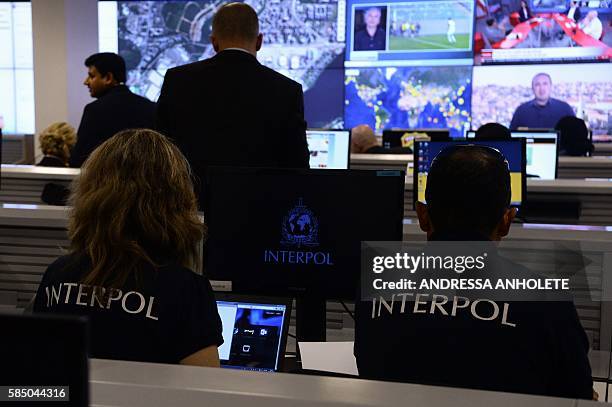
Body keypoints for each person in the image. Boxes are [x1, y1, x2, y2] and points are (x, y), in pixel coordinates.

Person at [354, 145, 594, 399]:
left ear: (423, 216)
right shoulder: (549, 302)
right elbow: (577, 396)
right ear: (506, 221)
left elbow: (368, 371)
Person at [34, 129, 223, 366]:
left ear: (91, 193)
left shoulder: (57, 275)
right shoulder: (186, 291)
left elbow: (36, 376)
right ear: (176, 200)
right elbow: (203, 394)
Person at [156, 3, 309, 204]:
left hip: (189, 212)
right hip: (258, 210)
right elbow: (297, 165)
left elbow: (159, 151)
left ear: (213, 42)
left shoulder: (177, 80)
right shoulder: (287, 90)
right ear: (259, 41)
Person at [69, 53, 156, 168]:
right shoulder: (150, 107)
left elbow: (79, 159)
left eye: (91, 76)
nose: (86, 82)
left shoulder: (94, 110)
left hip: (105, 183)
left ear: (108, 78)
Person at [510, 73, 575, 130]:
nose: (541, 88)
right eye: (537, 84)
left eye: (545, 84)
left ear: (551, 86)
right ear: (532, 88)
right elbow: (511, 137)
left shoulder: (565, 109)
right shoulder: (521, 111)